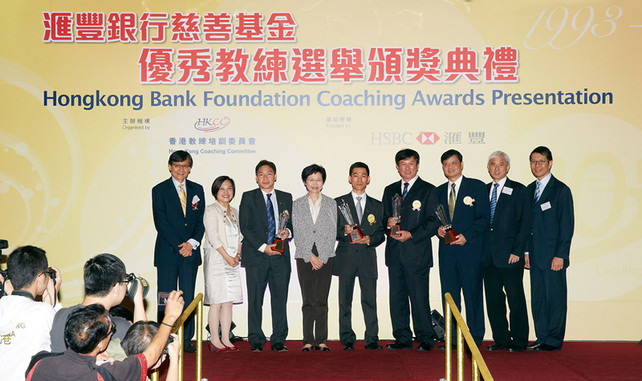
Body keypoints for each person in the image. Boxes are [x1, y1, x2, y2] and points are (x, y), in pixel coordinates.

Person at [27, 291, 184, 381]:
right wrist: (170, 317)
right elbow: (150, 355)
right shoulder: (104, 374)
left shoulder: (39, 361)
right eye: (111, 330)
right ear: (100, 345)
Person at [382, 148, 440, 352]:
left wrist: (412, 234)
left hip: (417, 253)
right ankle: (402, 338)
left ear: (417, 165)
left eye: (411, 164)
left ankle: (425, 338)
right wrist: (386, 223)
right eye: (403, 164)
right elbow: (383, 220)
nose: (407, 168)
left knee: (418, 298)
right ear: (397, 167)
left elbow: (434, 222)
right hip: (395, 253)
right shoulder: (390, 190)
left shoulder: (429, 189)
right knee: (396, 298)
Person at [152, 150, 205, 353]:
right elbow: (161, 223)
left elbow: (200, 221)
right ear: (170, 167)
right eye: (177, 165)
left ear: (190, 168)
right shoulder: (159, 190)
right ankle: (164, 338)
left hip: (190, 253)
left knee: (188, 296)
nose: (181, 169)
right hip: (167, 252)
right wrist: (179, 245)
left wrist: (191, 243)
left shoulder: (197, 189)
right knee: (165, 295)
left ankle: (186, 339)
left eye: (185, 166)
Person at [436, 149, 489, 348]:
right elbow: (434, 220)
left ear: (461, 164)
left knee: (473, 295)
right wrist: (438, 230)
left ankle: (474, 338)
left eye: (453, 163)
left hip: (471, 252)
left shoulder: (476, 187)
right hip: (448, 253)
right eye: (446, 164)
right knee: (450, 297)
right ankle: (452, 339)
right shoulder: (438, 191)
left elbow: (484, 218)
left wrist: (467, 236)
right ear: (442, 167)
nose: (450, 167)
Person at [239, 160, 293, 352]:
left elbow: (290, 224)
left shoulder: (286, 197)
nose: (265, 177)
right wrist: (263, 247)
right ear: (256, 177)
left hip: (280, 258)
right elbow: (245, 226)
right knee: (255, 300)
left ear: (275, 176)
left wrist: (288, 232)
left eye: (269, 173)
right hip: (256, 257)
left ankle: (278, 339)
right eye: (261, 174)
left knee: (280, 299)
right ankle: (256, 340)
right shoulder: (248, 197)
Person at [525, 146, 574, 352]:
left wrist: (561, 255)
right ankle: (541, 336)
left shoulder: (561, 190)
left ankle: (553, 339)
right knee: (538, 298)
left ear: (550, 163)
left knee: (555, 298)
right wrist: (526, 252)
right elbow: (526, 225)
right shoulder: (528, 190)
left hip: (554, 256)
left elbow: (567, 225)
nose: (537, 165)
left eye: (541, 161)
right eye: (533, 162)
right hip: (534, 256)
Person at [333, 162, 385, 351]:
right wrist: (344, 231)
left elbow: (382, 233)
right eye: (355, 175)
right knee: (344, 301)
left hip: (367, 259)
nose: (359, 179)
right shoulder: (338, 203)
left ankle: (371, 338)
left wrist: (370, 239)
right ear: (349, 178)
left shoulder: (377, 205)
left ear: (368, 179)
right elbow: (332, 231)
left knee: (369, 300)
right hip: (346, 258)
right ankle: (347, 339)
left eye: (363, 175)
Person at [483, 151, 531, 352]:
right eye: (492, 164)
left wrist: (518, 251)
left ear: (508, 167)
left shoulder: (519, 190)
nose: (496, 168)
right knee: (494, 300)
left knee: (515, 298)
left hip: (511, 256)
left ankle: (519, 341)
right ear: (488, 167)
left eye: (500, 164)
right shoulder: (482, 190)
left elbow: (526, 223)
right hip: (487, 257)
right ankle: (501, 339)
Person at [50, 253, 145, 353]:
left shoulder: (60, 315)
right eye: (125, 282)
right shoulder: (116, 327)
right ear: (116, 287)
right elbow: (145, 352)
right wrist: (138, 299)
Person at [293, 164, 337, 352]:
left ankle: (321, 340)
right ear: (305, 182)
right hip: (304, 255)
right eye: (311, 179)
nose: (315, 183)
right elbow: (297, 232)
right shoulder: (297, 204)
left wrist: (323, 256)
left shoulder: (331, 203)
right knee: (308, 299)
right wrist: (310, 255)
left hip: (326, 255)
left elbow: (332, 231)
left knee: (322, 299)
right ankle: (307, 340)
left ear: (323, 181)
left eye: (318, 179)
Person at [0, 246, 61, 381]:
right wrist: (54, 299)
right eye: (46, 273)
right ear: (40, 277)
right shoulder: (44, 312)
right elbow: (64, 347)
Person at [202, 175, 243, 352]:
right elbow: (213, 237)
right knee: (216, 301)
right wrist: (227, 257)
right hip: (217, 261)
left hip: (233, 261)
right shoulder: (211, 210)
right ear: (215, 191)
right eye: (222, 189)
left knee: (228, 302)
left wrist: (238, 255)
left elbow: (240, 236)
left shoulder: (234, 211)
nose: (226, 192)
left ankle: (226, 338)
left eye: (229, 188)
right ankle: (215, 339)